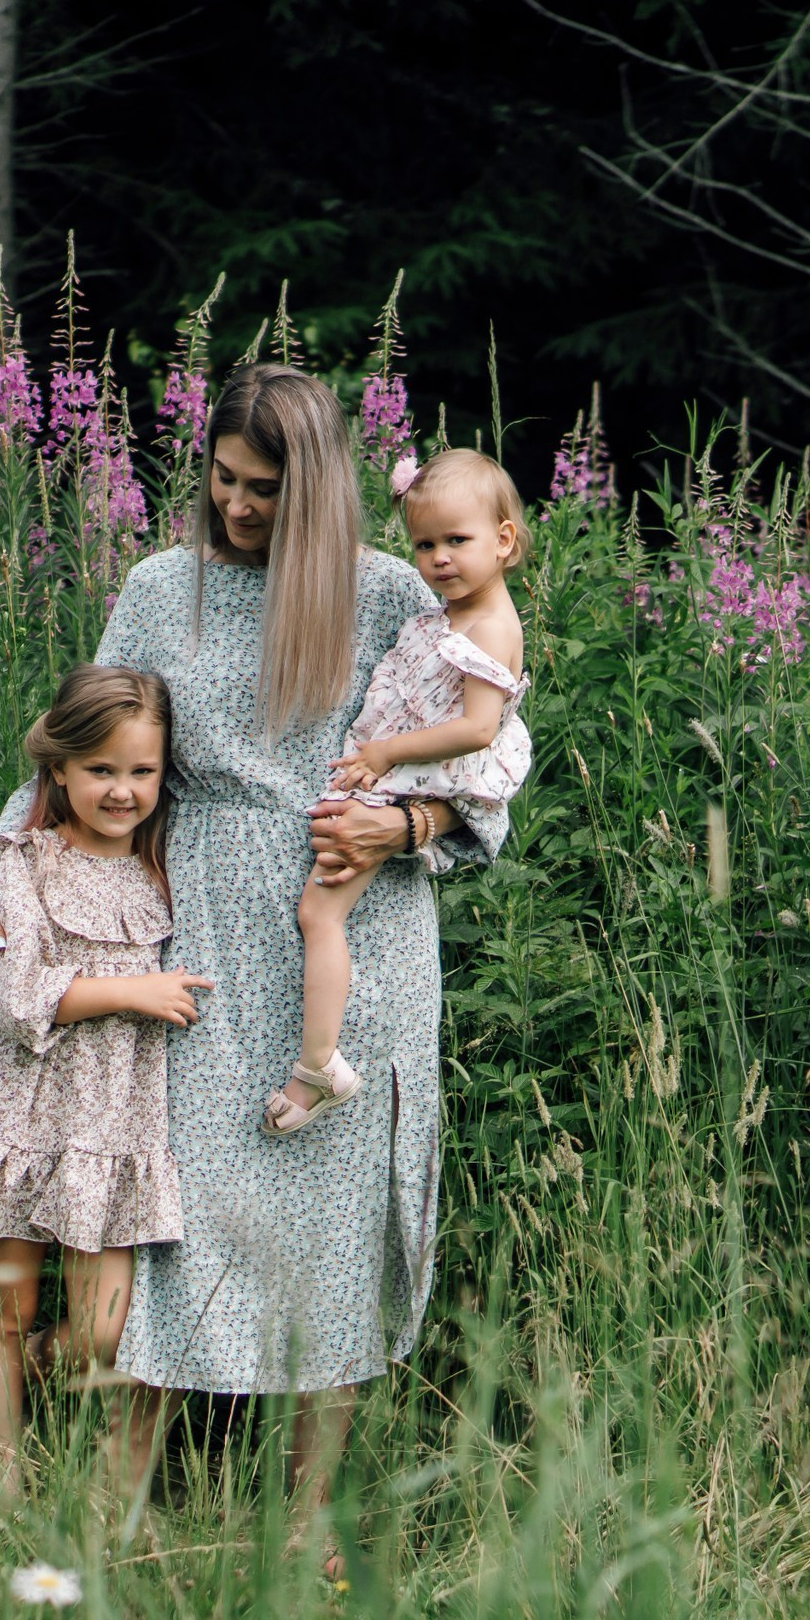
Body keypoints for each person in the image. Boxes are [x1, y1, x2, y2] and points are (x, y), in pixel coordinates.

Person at [0, 365, 507, 1547]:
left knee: (342, 1231)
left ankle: (305, 1535)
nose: (238, 507)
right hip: (192, 938)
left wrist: (404, 823)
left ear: (319, 494)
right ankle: (110, 1523)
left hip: (353, 938)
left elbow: (486, 777)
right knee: (172, 1226)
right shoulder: (163, 590)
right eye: (222, 478)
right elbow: (82, 748)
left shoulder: (395, 595)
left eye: (266, 490)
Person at [0, 664, 208, 1488]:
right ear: (59, 771)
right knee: (4, 1309)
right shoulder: (23, 866)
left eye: (141, 771)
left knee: (104, 1326)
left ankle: (24, 1374)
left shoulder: (162, 865)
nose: (122, 791)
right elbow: (18, 992)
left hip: (111, 1125)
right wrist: (133, 992)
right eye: (101, 770)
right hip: (18, 1105)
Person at [266, 448, 532, 1134]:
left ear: (504, 541)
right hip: (398, 778)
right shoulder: (451, 615)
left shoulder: (492, 628)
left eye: (456, 541)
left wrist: (383, 753)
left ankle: (318, 1065)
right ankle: (317, 1060)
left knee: (320, 916)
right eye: (424, 544)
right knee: (315, 911)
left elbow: (477, 728)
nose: (439, 558)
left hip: (413, 782)